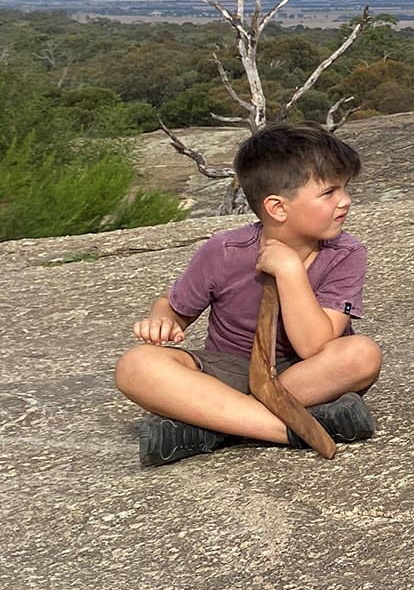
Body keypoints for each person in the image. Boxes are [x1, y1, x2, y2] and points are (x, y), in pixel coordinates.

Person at [114, 124, 382, 466]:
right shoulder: (225, 250)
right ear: (277, 208)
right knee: (136, 365)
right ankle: (297, 428)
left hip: (303, 376)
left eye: (344, 189)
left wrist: (290, 272)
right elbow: (173, 307)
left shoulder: (345, 253)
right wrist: (162, 320)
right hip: (229, 372)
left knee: (362, 354)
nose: (345, 200)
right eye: (329, 192)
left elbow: (315, 346)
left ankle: (213, 425)